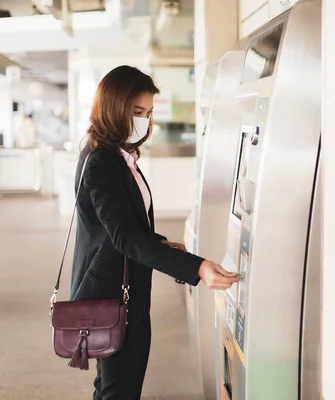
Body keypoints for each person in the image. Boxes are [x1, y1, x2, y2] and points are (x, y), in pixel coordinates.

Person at [70, 65, 240, 400]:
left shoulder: (117, 157)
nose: (143, 121)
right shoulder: (102, 161)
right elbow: (124, 237)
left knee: (110, 387)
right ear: (112, 107)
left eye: (148, 113)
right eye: (136, 112)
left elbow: (125, 225)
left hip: (122, 290)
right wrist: (198, 267)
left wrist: (161, 244)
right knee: (120, 389)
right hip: (114, 297)